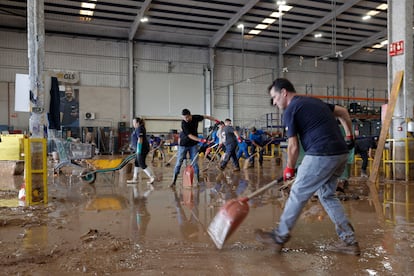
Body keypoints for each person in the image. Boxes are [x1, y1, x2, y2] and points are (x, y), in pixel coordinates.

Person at [255, 78, 360, 256]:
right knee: (326, 195)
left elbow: (293, 146)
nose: (274, 102)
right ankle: (349, 241)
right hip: (341, 153)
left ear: (284, 92)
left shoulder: (290, 110)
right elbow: (342, 111)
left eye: (274, 97)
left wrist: (289, 168)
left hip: (322, 153)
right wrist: (349, 135)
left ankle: (279, 237)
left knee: (297, 193)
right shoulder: (314, 101)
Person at [170, 108, 220, 188]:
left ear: (190, 115)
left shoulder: (196, 117)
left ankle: (197, 181)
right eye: (184, 117)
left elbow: (206, 116)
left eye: (187, 117)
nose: (185, 119)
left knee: (195, 163)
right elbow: (189, 136)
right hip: (184, 144)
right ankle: (174, 181)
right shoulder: (183, 123)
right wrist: (201, 140)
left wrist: (216, 120)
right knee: (179, 162)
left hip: (193, 145)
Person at [127, 117, 155, 184]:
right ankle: (135, 178)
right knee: (137, 163)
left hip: (142, 149)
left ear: (138, 123)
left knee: (141, 163)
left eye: (134, 122)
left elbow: (140, 139)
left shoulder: (140, 128)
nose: (133, 124)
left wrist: (138, 150)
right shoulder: (137, 129)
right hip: (139, 149)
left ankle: (151, 177)